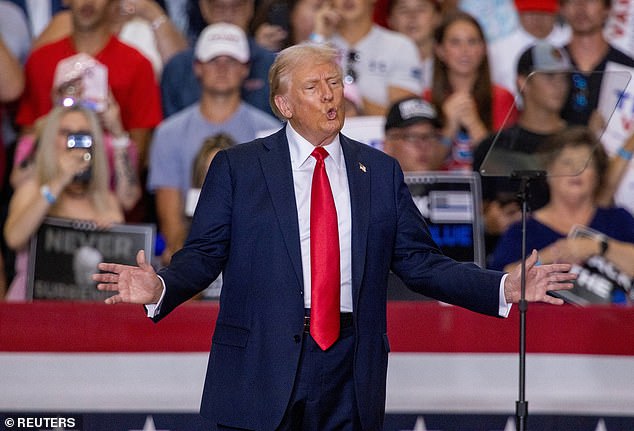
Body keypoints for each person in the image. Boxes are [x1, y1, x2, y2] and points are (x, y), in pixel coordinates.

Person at [94, 43, 575, 431]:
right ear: (284, 104)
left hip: (350, 367)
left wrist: (502, 287)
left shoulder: (379, 172)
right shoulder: (238, 168)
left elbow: (420, 262)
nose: (330, 95)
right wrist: (161, 287)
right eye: (313, 86)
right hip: (261, 365)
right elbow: (203, 254)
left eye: (334, 83)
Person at [148, 23, 281, 265]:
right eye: (213, 60)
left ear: (245, 69)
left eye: (231, 60)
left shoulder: (270, 131)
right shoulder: (169, 133)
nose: (222, 68)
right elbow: (171, 223)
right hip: (190, 256)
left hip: (254, 258)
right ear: (197, 67)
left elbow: (272, 213)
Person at [15, 0, 162, 168]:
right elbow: (24, 157)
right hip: (49, 181)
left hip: (111, 185)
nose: (88, 2)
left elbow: (140, 155)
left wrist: (115, 128)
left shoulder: (138, 64)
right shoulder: (40, 62)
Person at [490, 126, 634, 295]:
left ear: (597, 175)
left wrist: (597, 247)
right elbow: (501, 283)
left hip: (612, 321)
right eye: (567, 162)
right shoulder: (523, 230)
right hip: (543, 320)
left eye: (585, 164)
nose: (576, 170)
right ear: (548, 172)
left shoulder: (618, 220)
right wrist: (551, 255)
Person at [4, 105, 124, 301]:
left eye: (83, 135)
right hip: (31, 304)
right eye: (66, 133)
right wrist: (58, 181)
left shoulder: (105, 199)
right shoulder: (32, 189)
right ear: (50, 140)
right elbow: (14, 238)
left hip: (85, 309)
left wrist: (112, 231)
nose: (74, 143)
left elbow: (118, 265)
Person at [474, 41, 572, 262]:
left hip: (572, 265)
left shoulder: (579, 143)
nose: (560, 85)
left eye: (563, 77)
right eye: (549, 76)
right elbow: (476, 210)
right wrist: (488, 223)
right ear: (523, 82)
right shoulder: (493, 146)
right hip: (508, 263)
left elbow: (600, 205)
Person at [427, 10, 518, 171]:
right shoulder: (426, 98)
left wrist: (474, 124)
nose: (465, 50)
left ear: (483, 49)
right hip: (440, 192)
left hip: (487, 194)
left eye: (472, 42)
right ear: (440, 50)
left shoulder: (502, 97)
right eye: (455, 42)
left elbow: (505, 167)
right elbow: (425, 168)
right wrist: (449, 129)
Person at [160, 0, 276, 117]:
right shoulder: (178, 68)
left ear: (250, 6)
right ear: (204, 6)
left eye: (236, 6)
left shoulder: (272, 66)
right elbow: (171, 129)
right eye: (219, 7)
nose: (228, 15)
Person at [310, 0, 424, 116]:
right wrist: (319, 37)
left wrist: (353, 102)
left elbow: (404, 116)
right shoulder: (317, 44)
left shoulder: (400, 45)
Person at [32, 0, 189, 77]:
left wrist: (152, 12)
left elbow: (181, 74)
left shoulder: (146, 23)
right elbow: (36, 75)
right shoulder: (67, 21)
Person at [559, 0, 634, 126]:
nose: (580, 7)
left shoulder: (627, 68)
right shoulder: (550, 66)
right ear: (562, 8)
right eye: (571, 1)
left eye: (590, 1)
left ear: (607, 9)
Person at [488, 0, 571, 99]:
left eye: (544, 12)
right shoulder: (497, 50)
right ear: (518, 12)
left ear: (557, 11)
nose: (537, 19)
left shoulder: (572, 41)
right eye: (530, 12)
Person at [386, 0, 442, 91]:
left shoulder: (451, 62)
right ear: (390, 20)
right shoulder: (377, 64)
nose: (412, 16)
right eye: (403, 10)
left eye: (421, 9)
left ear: (437, 18)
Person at [382, 97, 451, 172]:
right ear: (388, 145)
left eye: (430, 136)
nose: (423, 145)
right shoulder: (372, 183)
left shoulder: (457, 182)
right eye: (412, 137)